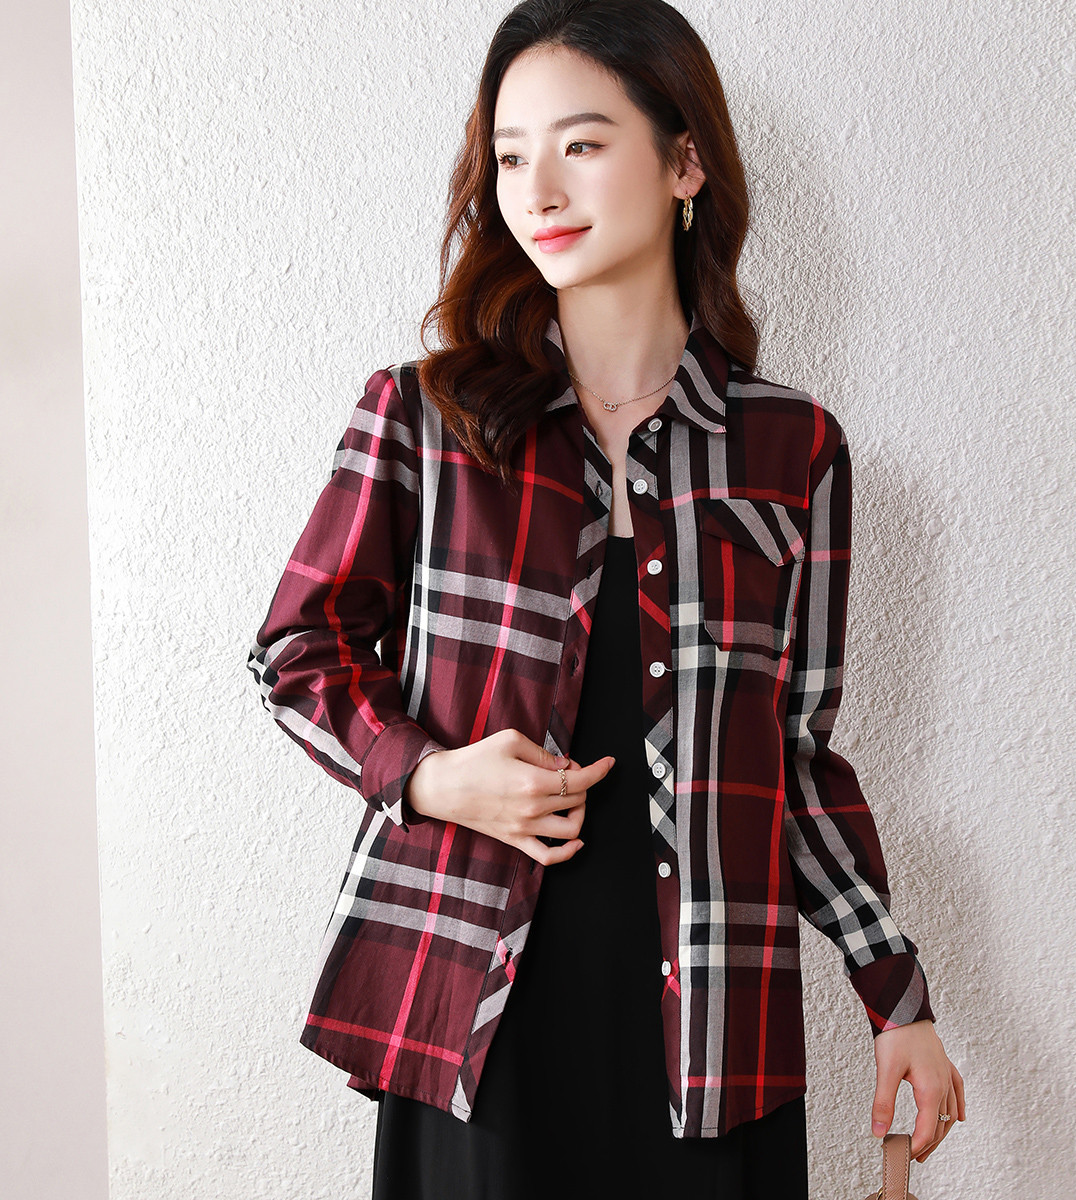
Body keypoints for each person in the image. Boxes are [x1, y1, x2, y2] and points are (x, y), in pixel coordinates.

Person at [246, 1, 965, 1196]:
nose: (538, 189)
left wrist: (897, 997)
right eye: (510, 155)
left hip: (710, 1035)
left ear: (686, 163)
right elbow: (295, 649)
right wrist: (428, 775)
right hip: (479, 1023)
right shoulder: (426, 417)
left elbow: (794, 760)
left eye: (581, 143)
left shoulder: (791, 450)